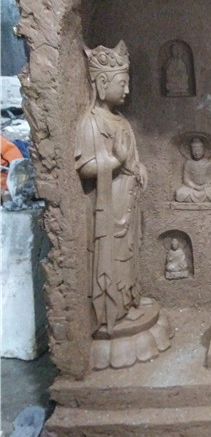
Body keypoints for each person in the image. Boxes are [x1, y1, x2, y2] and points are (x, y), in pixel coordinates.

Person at [75, 41, 148, 334]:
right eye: (122, 84)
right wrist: (115, 161)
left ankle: (128, 301)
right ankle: (111, 310)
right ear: (103, 84)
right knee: (113, 256)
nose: (127, 90)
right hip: (109, 203)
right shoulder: (91, 123)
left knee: (129, 254)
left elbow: (131, 157)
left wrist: (138, 167)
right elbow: (85, 167)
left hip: (127, 200)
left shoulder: (122, 121)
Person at [175, 137, 211, 203]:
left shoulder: (208, 163)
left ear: (203, 151)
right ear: (191, 151)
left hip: (206, 188)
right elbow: (186, 179)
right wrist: (195, 187)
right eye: (194, 151)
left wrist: (203, 186)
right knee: (179, 193)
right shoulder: (188, 163)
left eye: (199, 150)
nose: (197, 153)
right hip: (191, 188)